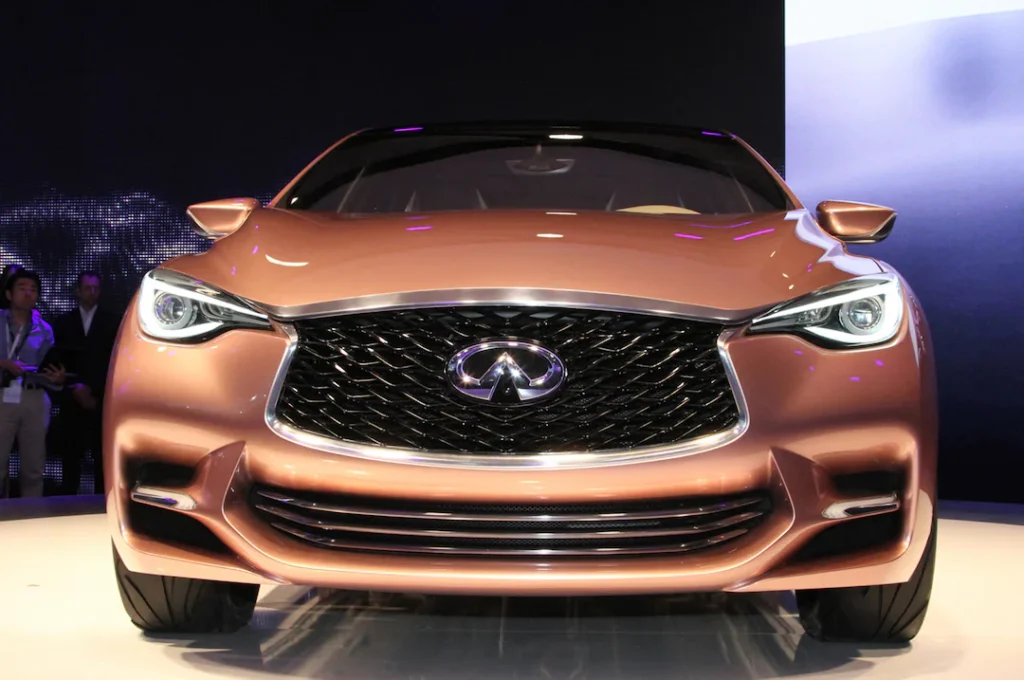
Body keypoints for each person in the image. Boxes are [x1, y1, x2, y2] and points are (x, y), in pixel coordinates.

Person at [49, 271, 119, 495]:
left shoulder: (113, 321)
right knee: (71, 456)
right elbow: (58, 360)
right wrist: (74, 386)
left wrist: (93, 390)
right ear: (78, 291)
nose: (92, 292)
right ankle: (66, 507)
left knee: (101, 458)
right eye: (88, 288)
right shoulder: (63, 322)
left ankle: (101, 504)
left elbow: (114, 360)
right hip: (71, 399)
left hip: (99, 401)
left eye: (96, 288)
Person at [0, 270, 66, 497]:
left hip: (34, 396)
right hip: (3, 394)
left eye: (33, 289)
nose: (28, 293)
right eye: (22, 288)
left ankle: (32, 513)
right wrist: (4, 363)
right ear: (9, 294)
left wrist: (57, 377)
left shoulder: (45, 328)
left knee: (34, 467)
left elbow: (49, 365)